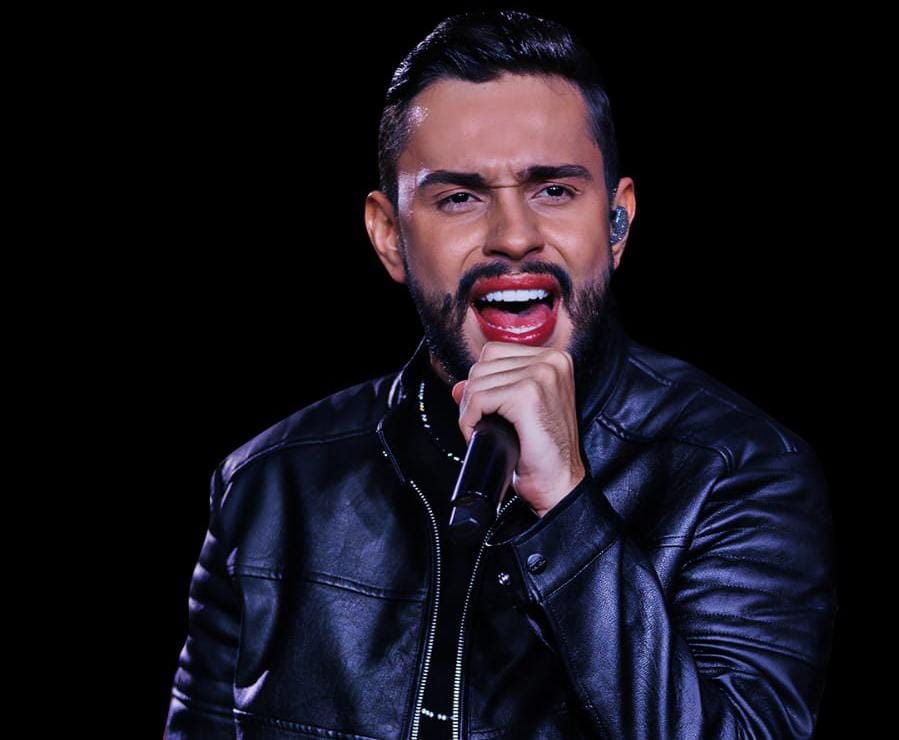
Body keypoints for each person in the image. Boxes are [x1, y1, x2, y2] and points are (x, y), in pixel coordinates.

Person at [164, 9, 838, 739]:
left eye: (554, 190)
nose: (513, 237)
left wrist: (568, 510)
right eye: (459, 197)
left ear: (617, 224)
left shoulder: (738, 471)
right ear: (389, 236)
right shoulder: (267, 484)